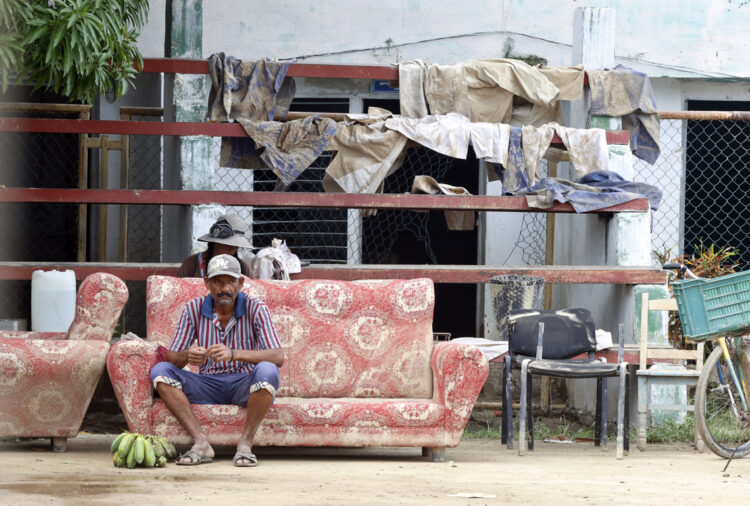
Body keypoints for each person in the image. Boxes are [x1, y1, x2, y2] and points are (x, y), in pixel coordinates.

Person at [150, 254, 283, 467]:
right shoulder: (193, 309)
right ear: (207, 283)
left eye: (231, 281)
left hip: (244, 385)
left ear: (240, 283)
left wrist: (234, 353)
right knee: (160, 370)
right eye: (218, 281)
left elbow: (278, 356)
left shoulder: (256, 308)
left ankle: (245, 445)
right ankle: (201, 442)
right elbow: (172, 358)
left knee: (268, 370)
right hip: (207, 383)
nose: (225, 288)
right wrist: (187, 356)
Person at [177, 213, 253, 278]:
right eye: (227, 245)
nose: (232, 249)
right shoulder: (191, 263)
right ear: (215, 243)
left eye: (236, 247)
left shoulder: (244, 268)